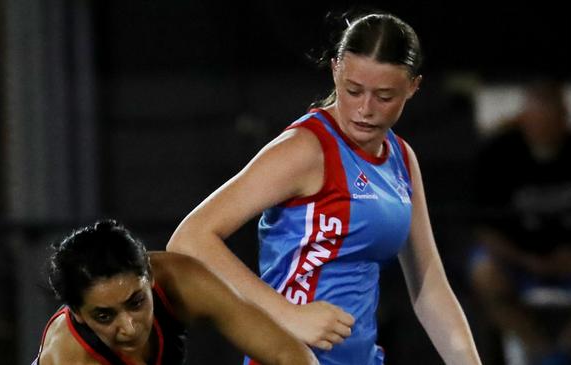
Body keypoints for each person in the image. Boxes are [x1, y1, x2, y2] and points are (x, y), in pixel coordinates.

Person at [166, 11, 482, 365]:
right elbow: (190, 239)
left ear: (413, 87)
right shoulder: (305, 149)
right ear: (335, 70)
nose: (364, 109)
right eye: (353, 90)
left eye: (384, 96)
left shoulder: (402, 159)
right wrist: (287, 314)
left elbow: (429, 286)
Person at [469, 80, 571, 364]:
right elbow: (484, 228)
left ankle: (568, 345)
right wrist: (526, 259)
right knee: (483, 274)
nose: (542, 127)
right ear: (524, 120)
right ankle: (540, 349)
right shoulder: (498, 156)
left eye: (550, 118)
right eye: (535, 119)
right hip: (518, 259)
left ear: (564, 118)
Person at [32, 219, 318, 365]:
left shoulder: (183, 279)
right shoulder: (70, 355)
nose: (129, 326)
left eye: (136, 302)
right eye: (105, 316)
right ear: (79, 315)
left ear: (150, 277)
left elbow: (289, 354)